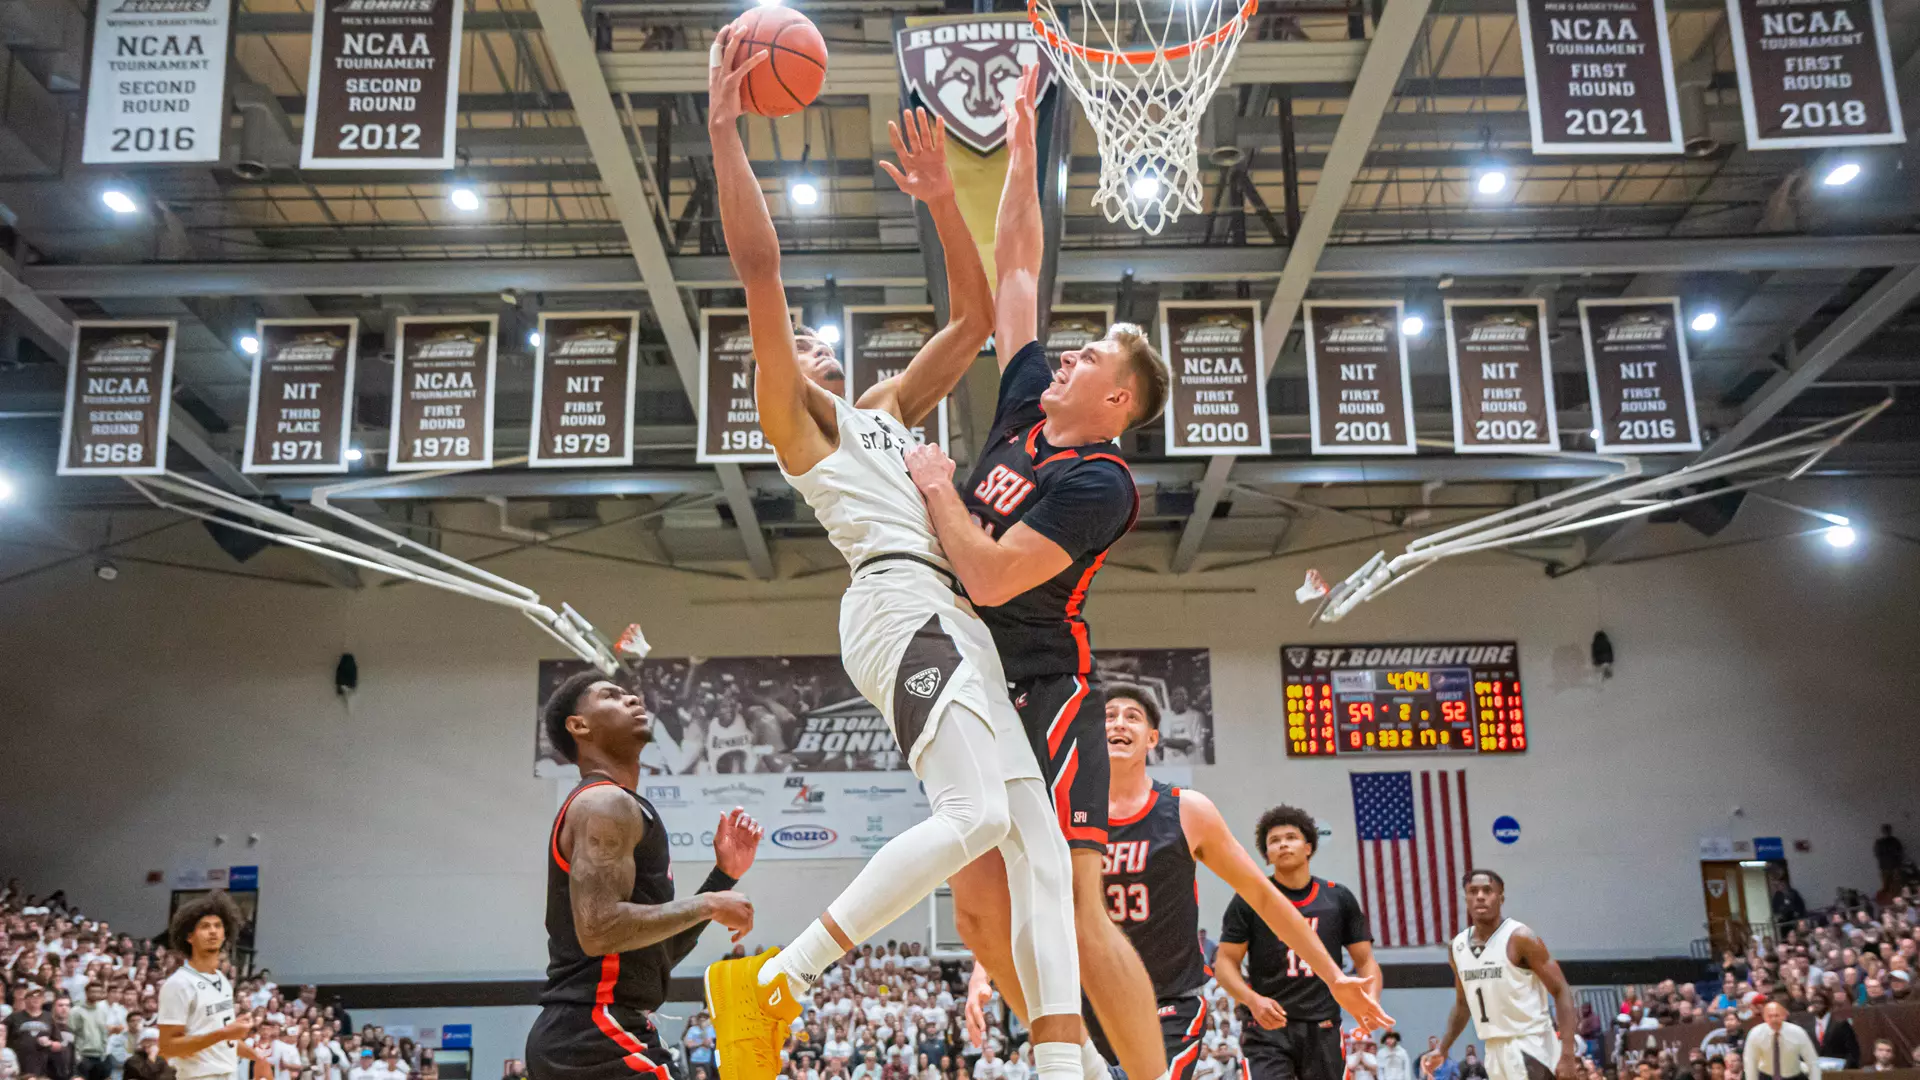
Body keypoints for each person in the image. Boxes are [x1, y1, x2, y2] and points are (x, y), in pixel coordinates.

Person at [699, 29, 1080, 1080]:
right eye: (793, 339)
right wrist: (728, 135)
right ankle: (780, 980)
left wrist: (942, 198)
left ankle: (1063, 1060)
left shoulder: (880, 411)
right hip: (896, 609)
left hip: (947, 618)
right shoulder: (799, 419)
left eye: (815, 336)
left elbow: (968, 315)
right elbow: (760, 268)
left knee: (1032, 838)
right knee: (972, 815)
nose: (808, 337)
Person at [907, 63, 1171, 1080]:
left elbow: (985, 576)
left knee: (1070, 900)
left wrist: (936, 485)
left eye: (1093, 355)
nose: (1069, 354)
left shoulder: (1101, 481)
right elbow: (1019, 271)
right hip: (972, 686)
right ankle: (1079, 1066)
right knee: (977, 914)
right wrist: (1018, 149)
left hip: (1042, 689)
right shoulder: (1027, 405)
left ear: (1117, 400)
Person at [967, 691, 1388, 1080]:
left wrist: (1333, 977)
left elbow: (1263, 895)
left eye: (1132, 717)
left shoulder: (1188, 811)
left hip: (1166, 1001)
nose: (1118, 724)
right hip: (1083, 998)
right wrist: (981, 972)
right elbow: (1021, 892)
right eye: (1108, 717)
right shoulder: (1061, 813)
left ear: (1152, 738)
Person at [524, 672, 763, 1080]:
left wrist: (722, 879)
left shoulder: (622, 806)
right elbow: (599, 929)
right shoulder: (603, 803)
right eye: (611, 696)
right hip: (593, 1032)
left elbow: (655, 956)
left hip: (594, 1032)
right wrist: (709, 903)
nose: (633, 698)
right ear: (579, 725)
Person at [1216, 806, 1384, 1080]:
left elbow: (1365, 960)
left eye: (1290, 837)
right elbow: (1225, 962)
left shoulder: (1338, 898)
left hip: (1323, 1024)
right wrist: (1251, 999)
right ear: (1267, 856)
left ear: (1308, 847)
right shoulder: (1250, 899)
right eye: (1274, 841)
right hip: (1267, 1026)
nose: (1282, 844)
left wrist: (1371, 1001)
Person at [1426, 871, 1581, 1080]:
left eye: (1487, 891)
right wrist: (1443, 1048)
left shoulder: (1521, 938)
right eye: (1473, 891)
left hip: (1531, 1044)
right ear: (1466, 899)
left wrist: (1568, 1054)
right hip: (1493, 1048)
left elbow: (1561, 990)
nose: (1480, 896)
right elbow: (1463, 1005)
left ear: (1500, 898)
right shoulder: (1457, 946)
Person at [157, 894, 272, 1080]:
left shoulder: (222, 981)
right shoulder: (179, 984)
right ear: (189, 936)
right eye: (205, 926)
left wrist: (256, 1057)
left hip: (229, 1073)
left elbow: (224, 1039)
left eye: (218, 926)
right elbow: (168, 1046)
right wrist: (224, 1033)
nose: (213, 931)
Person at [1743, 1002, 1818, 1080]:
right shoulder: (1755, 1033)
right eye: (1770, 1016)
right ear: (1764, 1017)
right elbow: (1750, 1062)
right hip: (1766, 1076)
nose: (1773, 1019)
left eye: (1777, 1015)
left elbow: (1812, 1061)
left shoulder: (1798, 1032)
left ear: (1784, 1016)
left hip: (1794, 1076)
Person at [1804, 993, 1856, 1069]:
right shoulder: (1808, 1026)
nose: (1816, 1005)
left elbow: (1852, 1050)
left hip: (1837, 1069)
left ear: (1827, 1005)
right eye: (1814, 1002)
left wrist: (1846, 1068)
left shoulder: (1840, 1024)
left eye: (1820, 1002)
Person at [1874, 827, 1905, 899]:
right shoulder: (1881, 842)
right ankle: (1892, 899)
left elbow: (1900, 853)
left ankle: (1896, 898)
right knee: (1888, 884)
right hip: (1887, 866)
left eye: (1887, 831)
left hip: (1892, 866)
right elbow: (1878, 854)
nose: (1887, 833)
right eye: (1886, 831)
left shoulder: (1894, 841)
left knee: (1895, 884)